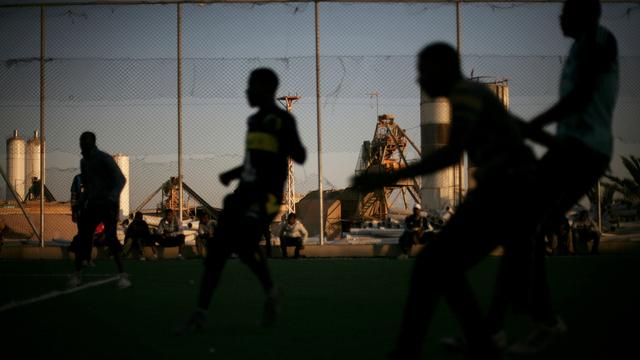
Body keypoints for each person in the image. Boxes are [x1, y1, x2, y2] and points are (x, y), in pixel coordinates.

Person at [352, 42, 540, 359]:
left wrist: (385, 177)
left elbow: (452, 153)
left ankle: (417, 349)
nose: (418, 80)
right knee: (440, 266)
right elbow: (516, 126)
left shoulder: (465, 95)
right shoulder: (474, 95)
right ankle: (478, 344)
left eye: (423, 71)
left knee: (434, 264)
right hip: (507, 190)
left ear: (444, 68)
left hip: (505, 191)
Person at [477, 1, 618, 355]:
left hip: (583, 150)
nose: (559, 17)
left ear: (588, 14)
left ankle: (528, 321)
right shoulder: (577, 48)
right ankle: (513, 323)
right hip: (571, 148)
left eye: (567, 11)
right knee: (523, 227)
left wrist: (531, 126)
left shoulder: (599, 42)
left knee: (523, 225)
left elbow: (580, 98)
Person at [175, 68, 306, 334]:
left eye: (251, 86)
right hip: (242, 194)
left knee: (245, 245)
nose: (247, 91)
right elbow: (252, 162)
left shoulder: (282, 120)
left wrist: (282, 137)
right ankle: (201, 314)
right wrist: (232, 174)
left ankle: (270, 293)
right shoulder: (253, 121)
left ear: (266, 89)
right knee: (218, 252)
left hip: (267, 196)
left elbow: (299, 155)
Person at [68, 131, 129, 289]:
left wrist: (112, 196)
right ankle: (78, 273)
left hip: (108, 203)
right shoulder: (84, 162)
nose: (82, 144)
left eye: (85, 141)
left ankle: (123, 276)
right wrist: (80, 204)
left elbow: (121, 179)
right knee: (83, 236)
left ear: (92, 143)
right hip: (93, 203)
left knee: (110, 236)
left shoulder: (104, 158)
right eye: (81, 141)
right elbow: (87, 187)